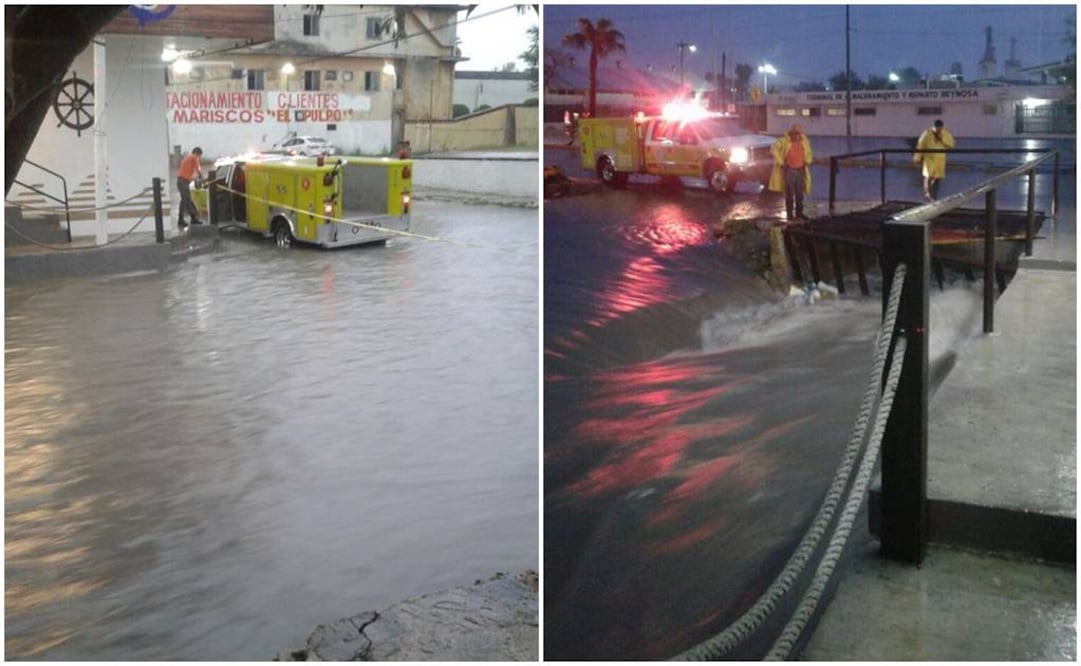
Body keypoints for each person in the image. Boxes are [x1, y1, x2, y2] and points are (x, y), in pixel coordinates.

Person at [769, 123, 813, 221]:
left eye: (798, 133)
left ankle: (799, 213)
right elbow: (773, 149)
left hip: (801, 169)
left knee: (799, 193)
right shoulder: (783, 141)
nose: (797, 136)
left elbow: (809, 153)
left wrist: (807, 161)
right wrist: (781, 163)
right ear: (791, 133)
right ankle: (790, 214)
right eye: (795, 133)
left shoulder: (804, 141)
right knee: (789, 193)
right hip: (790, 170)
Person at [914, 119, 955, 201]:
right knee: (928, 176)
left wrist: (942, 139)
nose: (938, 130)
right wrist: (917, 158)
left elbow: (951, 145)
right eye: (937, 128)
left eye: (940, 128)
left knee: (937, 178)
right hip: (929, 159)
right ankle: (928, 194)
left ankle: (934, 196)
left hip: (940, 160)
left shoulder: (946, 134)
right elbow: (920, 145)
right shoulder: (927, 134)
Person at [176, 146, 204, 228]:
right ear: (197, 153)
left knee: (185, 200)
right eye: (199, 156)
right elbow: (198, 169)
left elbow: (188, 171)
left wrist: (194, 179)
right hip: (183, 181)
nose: (199, 158)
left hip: (181, 181)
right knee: (186, 200)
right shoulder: (194, 157)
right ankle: (189, 219)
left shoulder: (187, 158)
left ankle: (187, 219)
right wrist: (202, 179)